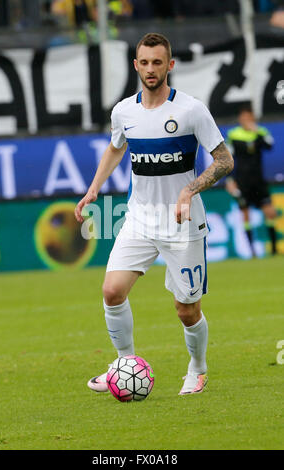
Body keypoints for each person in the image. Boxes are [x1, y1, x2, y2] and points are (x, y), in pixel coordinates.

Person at [75, 33, 234, 396]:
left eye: (157, 62)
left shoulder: (191, 110)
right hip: (139, 219)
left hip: (183, 222)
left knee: (186, 310)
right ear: (136, 65)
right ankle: (124, 365)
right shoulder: (123, 111)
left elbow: (224, 160)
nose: (150, 69)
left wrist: (189, 189)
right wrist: (94, 188)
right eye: (144, 62)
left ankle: (198, 369)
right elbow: (116, 148)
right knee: (112, 291)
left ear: (170, 65)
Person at [226, 105, 278, 256]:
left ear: (253, 118)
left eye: (249, 118)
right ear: (240, 119)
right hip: (242, 181)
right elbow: (228, 159)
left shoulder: (260, 132)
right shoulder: (234, 135)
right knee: (245, 214)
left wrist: (257, 131)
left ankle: (274, 250)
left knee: (270, 212)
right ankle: (252, 251)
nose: (247, 120)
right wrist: (230, 180)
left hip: (259, 181)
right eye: (244, 118)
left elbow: (269, 145)